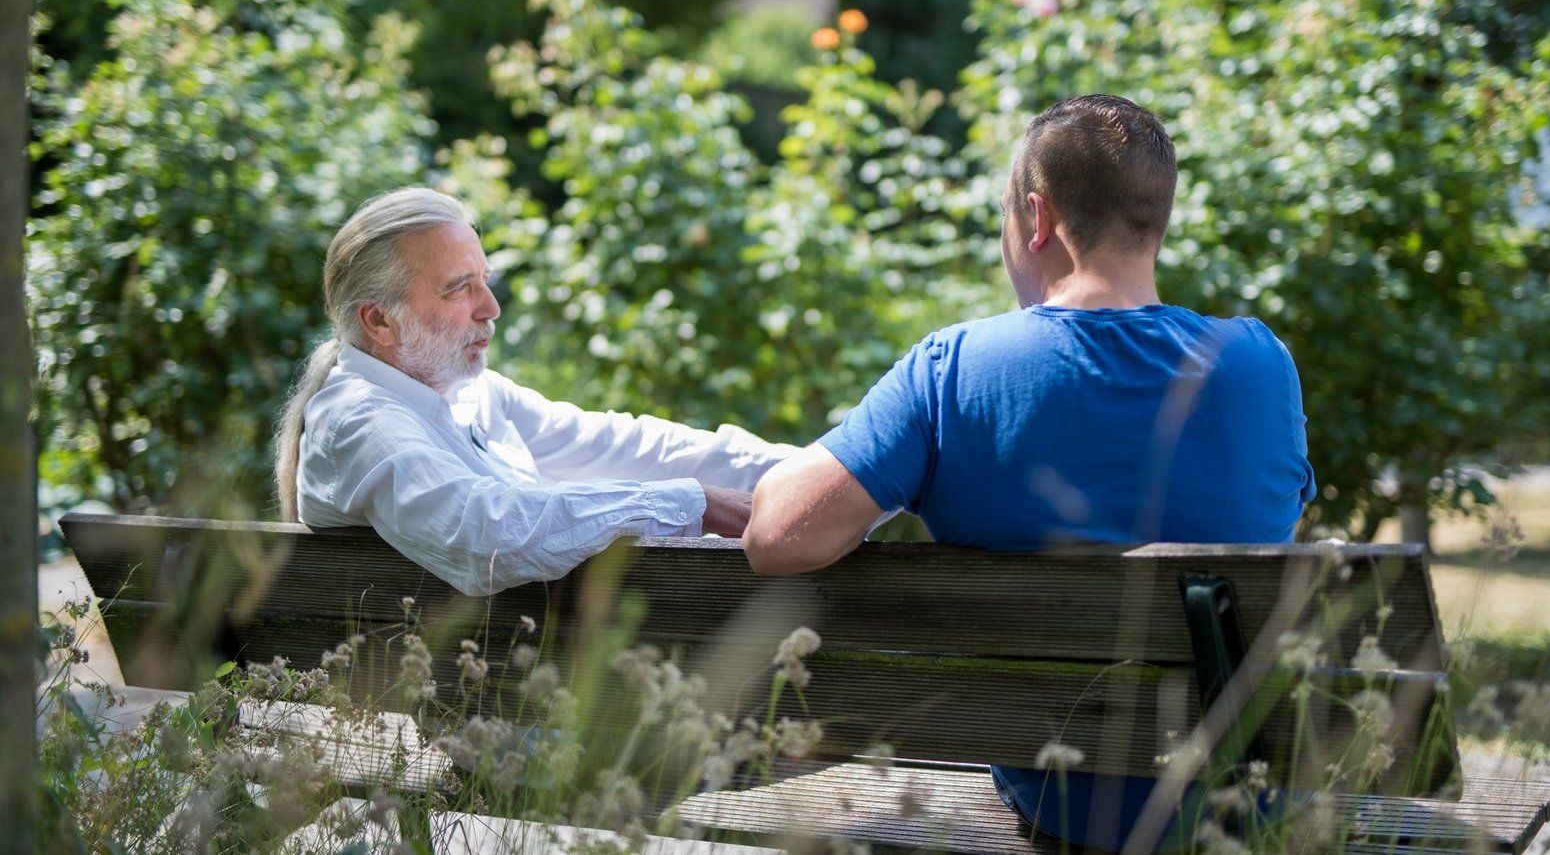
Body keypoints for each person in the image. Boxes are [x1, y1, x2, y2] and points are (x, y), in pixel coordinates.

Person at [743, 95, 1316, 850]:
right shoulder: (1260, 365)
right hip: (1245, 811)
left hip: (1063, 811)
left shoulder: (950, 372)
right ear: (1156, 221)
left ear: (1036, 219)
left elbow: (775, 536)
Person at [275, 186, 796, 596]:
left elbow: (622, 446)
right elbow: (487, 535)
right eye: (459, 287)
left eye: (484, 279)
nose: (490, 308)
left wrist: (837, 470)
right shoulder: (360, 423)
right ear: (379, 320)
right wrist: (694, 502)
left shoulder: (469, 394)